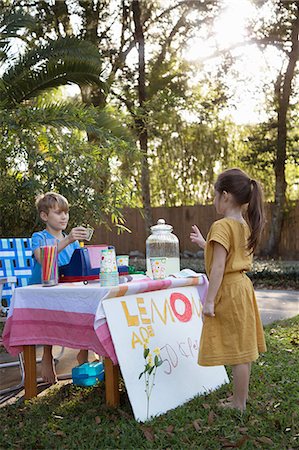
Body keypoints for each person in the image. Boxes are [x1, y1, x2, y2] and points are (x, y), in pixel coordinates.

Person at [190, 168, 266, 412]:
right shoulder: (243, 224)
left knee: (237, 351)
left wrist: (209, 300)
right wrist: (205, 243)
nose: (214, 201)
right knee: (242, 349)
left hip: (229, 290)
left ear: (224, 196)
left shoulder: (221, 225)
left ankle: (238, 404)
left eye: (214, 195)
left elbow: (219, 266)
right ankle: (239, 400)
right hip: (243, 287)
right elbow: (229, 254)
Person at [30, 192, 90, 384]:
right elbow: (43, 258)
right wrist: (69, 240)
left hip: (66, 290)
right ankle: (47, 355)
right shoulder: (38, 237)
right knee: (50, 308)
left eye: (66, 213)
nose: (64, 217)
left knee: (87, 303)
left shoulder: (70, 241)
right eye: (58, 213)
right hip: (42, 291)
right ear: (44, 216)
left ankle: (84, 350)